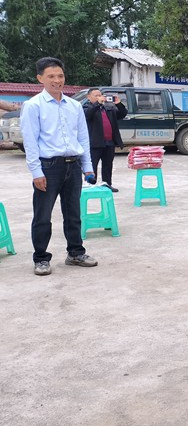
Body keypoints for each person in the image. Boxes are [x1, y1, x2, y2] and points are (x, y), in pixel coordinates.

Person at [20, 57, 98, 276]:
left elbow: (83, 139)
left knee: (73, 213)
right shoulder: (33, 106)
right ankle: (41, 258)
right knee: (43, 215)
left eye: (60, 76)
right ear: (40, 79)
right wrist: (36, 172)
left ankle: (75, 252)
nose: (57, 80)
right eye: (51, 76)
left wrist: (88, 168)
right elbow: (30, 142)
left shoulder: (74, 106)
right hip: (48, 167)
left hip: (72, 166)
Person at [82, 88, 128, 192]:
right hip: (95, 142)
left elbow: (122, 114)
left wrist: (119, 104)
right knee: (92, 165)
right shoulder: (86, 107)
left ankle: (107, 184)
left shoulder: (108, 107)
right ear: (88, 97)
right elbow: (88, 115)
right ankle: (90, 185)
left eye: (100, 95)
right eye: (96, 96)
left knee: (108, 165)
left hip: (109, 142)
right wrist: (97, 104)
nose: (99, 97)